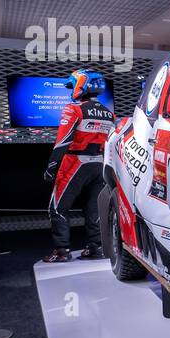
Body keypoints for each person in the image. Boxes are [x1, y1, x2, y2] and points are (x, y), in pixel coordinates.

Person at [43, 70, 114, 263]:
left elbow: (62, 141)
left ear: (81, 85)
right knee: (93, 209)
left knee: (57, 207)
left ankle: (61, 251)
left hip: (75, 163)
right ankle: (95, 247)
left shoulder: (73, 109)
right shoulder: (109, 113)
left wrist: (51, 166)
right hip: (100, 163)